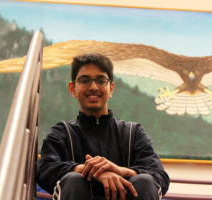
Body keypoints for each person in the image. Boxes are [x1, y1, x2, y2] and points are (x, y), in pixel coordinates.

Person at [37, 53, 170, 200]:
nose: (93, 87)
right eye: (85, 80)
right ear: (72, 88)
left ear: (111, 88)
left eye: (101, 80)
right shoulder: (62, 133)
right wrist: (92, 171)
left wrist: (120, 171)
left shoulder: (133, 133)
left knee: (144, 181)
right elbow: (44, 170)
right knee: (74, 180)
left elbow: (160, 177)